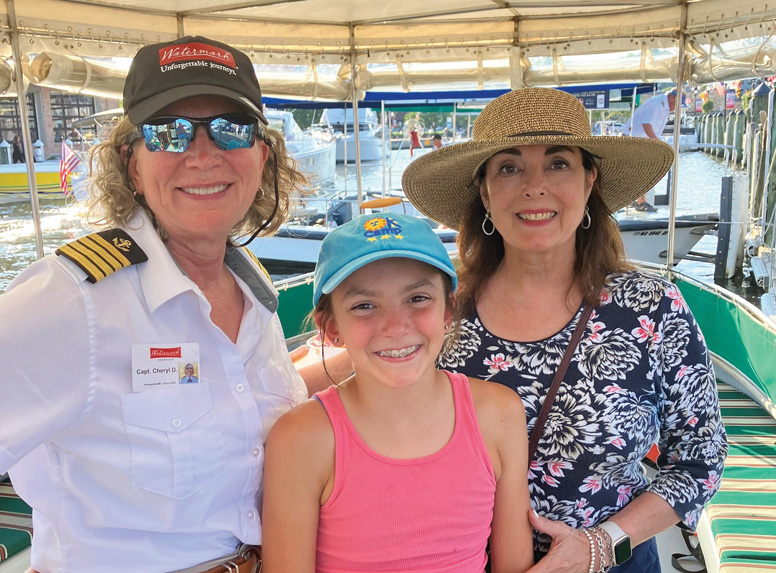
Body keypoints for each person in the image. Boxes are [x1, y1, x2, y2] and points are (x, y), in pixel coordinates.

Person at [0, 35, 348, 572]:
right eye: (169, 132)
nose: (203, 155)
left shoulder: (252, 293)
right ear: (132, 164)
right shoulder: (76, 300)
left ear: (262, 155)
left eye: (231, 130)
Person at [403, 88, 727, 573]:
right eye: (509, 168)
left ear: (589, 180)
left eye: (558, 164)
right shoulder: (439, 308)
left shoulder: (652, 308)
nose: (535, 186)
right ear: (485, 192)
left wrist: (602, 544)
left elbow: (700, 458)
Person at [262, 212, 534, 573]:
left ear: (447, 310)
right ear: (331, 327)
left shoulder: (499, 414)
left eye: (418, 298)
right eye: (364, 306)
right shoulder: (301, 439)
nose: (395, 326)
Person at [623, 88, 678, 212]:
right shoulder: (658, 104)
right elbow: (646, 124)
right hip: (634, 139)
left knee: (643, 171)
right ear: (672, 98)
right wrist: (657, 142)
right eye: (678, 103)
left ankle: (638, 200)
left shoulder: (662, 105)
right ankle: (640, 202)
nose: (677, 107)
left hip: (640, 140)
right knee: (644, 171)